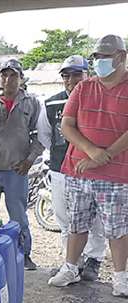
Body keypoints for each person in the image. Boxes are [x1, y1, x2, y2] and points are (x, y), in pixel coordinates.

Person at [49, 35, 128, 297]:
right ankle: (71, 268)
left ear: (121, 57)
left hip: (117, 174)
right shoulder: (84, 88)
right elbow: (67, 125)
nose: (100, 62)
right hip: (78, 169)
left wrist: (105, 155)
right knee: (76, 223)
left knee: (117, 228)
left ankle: (120, 278)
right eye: (97, 57)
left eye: (106, 57)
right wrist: (93, 152)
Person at [38, 55, 106, 281]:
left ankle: (93, 259)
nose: (71, 80)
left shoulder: (99, 100)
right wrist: (62, 156)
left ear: (87, 75)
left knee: (94, 219)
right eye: (66, 75)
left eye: (77, 74)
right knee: (65, 218)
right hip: (61, 170)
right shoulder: (51, 103)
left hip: (93, 170)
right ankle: (72, 263)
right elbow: (46, 136)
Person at [0, 58, 44, 270]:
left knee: (19, 217)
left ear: (21, 78)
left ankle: (24, 255)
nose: (8, 79)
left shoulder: (31, 102)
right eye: (4, 75)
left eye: (13, 75)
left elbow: (40, 135)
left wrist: (29, 160)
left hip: (16, 169)